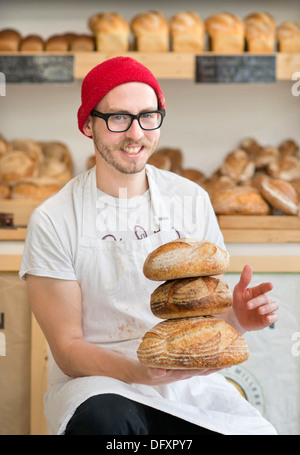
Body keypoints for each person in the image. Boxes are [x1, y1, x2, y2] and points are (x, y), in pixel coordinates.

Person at [20, 56, 279, 435]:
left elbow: (202, 324)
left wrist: (237, 319)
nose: (136, 133)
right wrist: (142, 372)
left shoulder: (190, 199)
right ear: (88, 125)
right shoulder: (54, 218)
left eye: (147, 116)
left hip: (186, 380)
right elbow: (68, 348)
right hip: (98, 383)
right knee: (107, 424)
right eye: (118, 118)